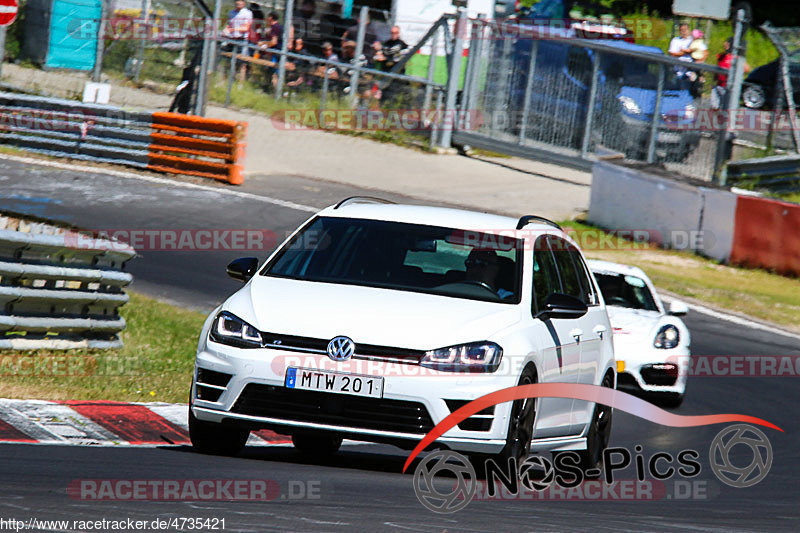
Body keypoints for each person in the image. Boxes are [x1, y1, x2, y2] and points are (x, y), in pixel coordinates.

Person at [712, 37, 751, 110]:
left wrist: (735, 73)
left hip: (729, 86)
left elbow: (747, 69)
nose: (725, 44)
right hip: (719, 85)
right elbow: (718, 67)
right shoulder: (721, 56)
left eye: (727, 43)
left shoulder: (736, 58)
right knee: (715, 107)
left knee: (726, 107)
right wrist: (715, 79)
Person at [222, 0, 253, 81]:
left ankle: (240, 82)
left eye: (241, 1)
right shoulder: (231, 13)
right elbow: (229, 24)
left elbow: (246, 28)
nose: (239, 3)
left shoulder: (247, 13)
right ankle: (225, 79)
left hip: (241, 40)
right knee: (228, 59)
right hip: (232, 38)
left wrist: (233, 29)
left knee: (241, 61)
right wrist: (225, 30)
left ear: (244, 3)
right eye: (238, 1)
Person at [668, 22, 694, 87]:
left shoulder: (692, 40)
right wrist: (684, 52)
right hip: (677, 72)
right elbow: (672, 53)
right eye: (682, 30)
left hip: (689, 72)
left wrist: (683, 51)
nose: (683, 32)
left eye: (685, 30)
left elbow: (695, 51)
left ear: (688, 30)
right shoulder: (675, 40)